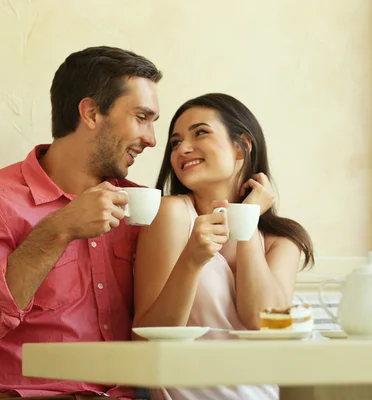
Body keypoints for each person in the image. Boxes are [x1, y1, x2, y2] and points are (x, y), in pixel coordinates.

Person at [0, 46, 162, 400]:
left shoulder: (142, 206)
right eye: (142, 117)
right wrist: (55, 232)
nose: (152, 139)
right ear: (91, 113)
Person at [132, 93, 314, 400]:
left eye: (200, 132)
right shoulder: (173, 215)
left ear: (241, 145)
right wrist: (191, 260)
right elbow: (147, 340)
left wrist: (247, 222)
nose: (183, 149)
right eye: (175, 142)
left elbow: (262, 322)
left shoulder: (283, 241)